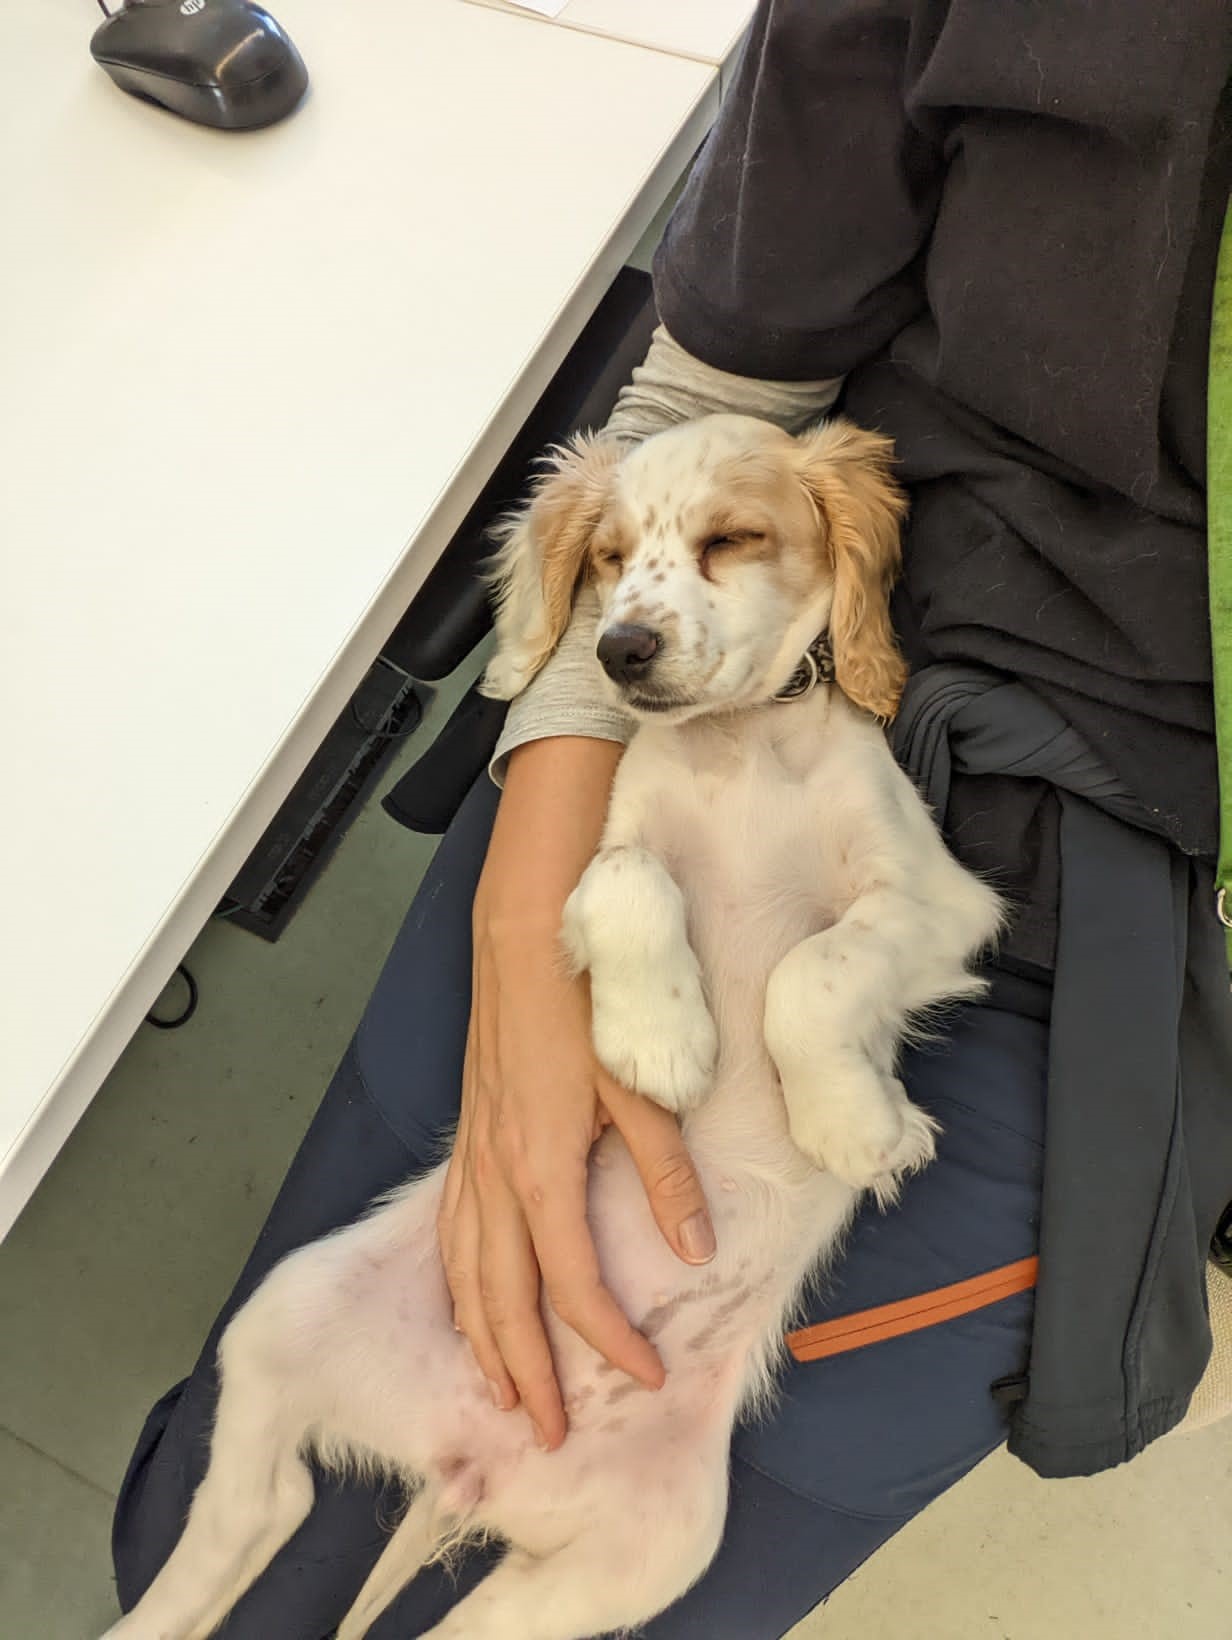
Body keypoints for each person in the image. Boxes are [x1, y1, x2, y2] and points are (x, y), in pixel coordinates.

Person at [112, 4, 1232, 1635]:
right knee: (220, 1547)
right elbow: (723, 369)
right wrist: (528, 915)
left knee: (629, 1571)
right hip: (743, 702)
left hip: (1113, 906)